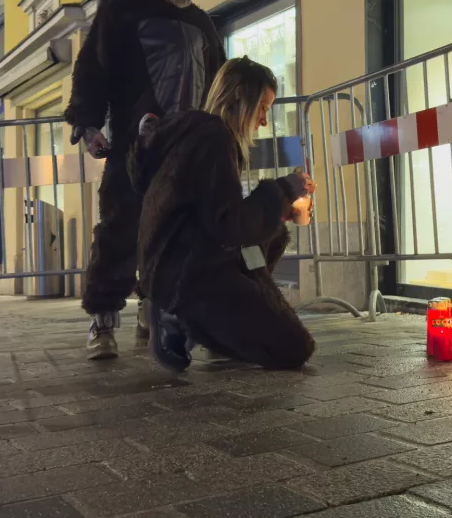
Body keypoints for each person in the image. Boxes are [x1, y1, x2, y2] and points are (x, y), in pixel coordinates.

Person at [65, 0, 225, 360]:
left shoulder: (203, 25)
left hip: (185, 151)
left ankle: (154, 312)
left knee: (177, 236)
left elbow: (219, 85)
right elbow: (92, 66)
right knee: (120, 232)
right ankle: (101, 323)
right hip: (132, 149)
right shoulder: (124, 8)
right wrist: (87, 123)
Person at [129, 57, 317, 372]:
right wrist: (284, 189)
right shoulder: (213, 137)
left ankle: (209, 324)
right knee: (295, 347)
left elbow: (215, 213)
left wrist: (283, 208)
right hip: (188, 275)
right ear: (240, 97)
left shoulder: (198, 133)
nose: (263, 122)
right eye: (263, 108)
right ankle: (181, 318)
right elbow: (228, 226)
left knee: (273, 235)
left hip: (176, 264)